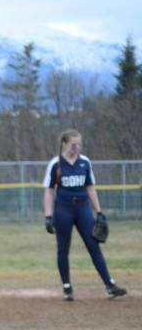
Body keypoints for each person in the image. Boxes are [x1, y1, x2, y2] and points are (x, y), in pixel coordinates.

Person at [42, 129, 127, 301]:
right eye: (73, 144)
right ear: (64, 144)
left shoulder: (85, 162)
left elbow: (90, 188)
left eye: (79, 144)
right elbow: (49, 192)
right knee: (63, 249)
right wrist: (48, 216)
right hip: (63, 210)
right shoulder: (56, 164)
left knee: (93, 246)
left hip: (82, 209)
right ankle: (67, 287)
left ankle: (109, 285)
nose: (77, 148)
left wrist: (99, 212)